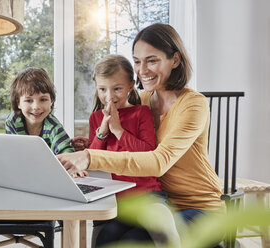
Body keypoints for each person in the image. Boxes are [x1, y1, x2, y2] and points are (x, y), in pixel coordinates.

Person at [58, 23, 224, 246]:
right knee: (108, 238)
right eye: (137, 61)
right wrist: (92, 143)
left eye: (152, 60)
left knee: (134, 242)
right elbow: (126, 141)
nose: (142, 70)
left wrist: (89, 157)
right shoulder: (142, 101)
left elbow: (158, 161)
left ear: (175, 60)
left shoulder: (193, 104)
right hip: (153, 204)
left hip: (199, 208)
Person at [88, 54, 181, 247]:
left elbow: (147, 153)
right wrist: (103, 132)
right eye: (102, 89)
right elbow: (92, 160)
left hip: (147, 196)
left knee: (154, 228)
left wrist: (118, 130)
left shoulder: (141, 113)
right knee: (106, 238)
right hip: (118, 203)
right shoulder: (96, 119)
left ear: (131, 86)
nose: (109, 96)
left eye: (117, 89)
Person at [5, 67, 74, 155]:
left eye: (43, 100)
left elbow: (67, 151)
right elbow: (11, 151)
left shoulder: (53, 126)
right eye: (29, 100)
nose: (36, 107)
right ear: (18, 103)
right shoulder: (13, 121)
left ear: (51, 101)